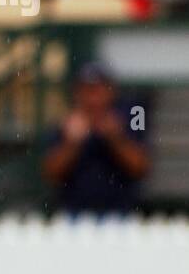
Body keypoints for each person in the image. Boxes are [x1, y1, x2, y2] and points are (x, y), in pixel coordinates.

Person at [42, 63, 149, 215]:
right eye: (87, 91)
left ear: (110, 91)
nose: (93, 98)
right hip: (73, 214)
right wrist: (72, 143)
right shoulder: (65, 121)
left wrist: (115, 138)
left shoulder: (130, 117)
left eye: (98, 90)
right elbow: (51, 172)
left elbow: (140, 167)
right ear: (77, 93)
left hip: (120, 214)